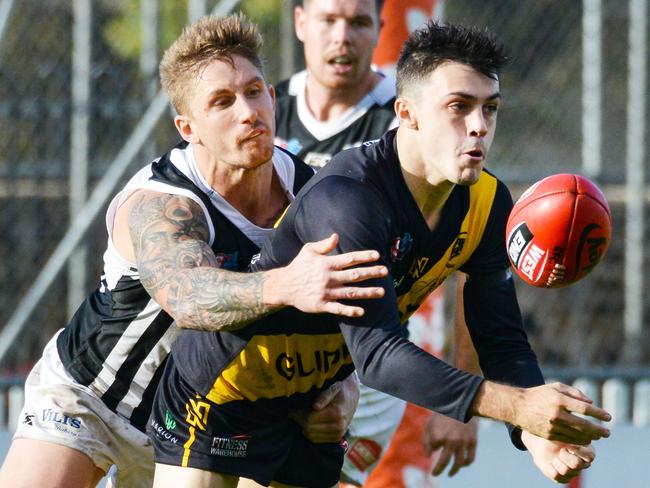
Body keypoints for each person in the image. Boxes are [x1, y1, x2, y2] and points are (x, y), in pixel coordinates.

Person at [149, 21, 612, 488]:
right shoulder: (349, 199)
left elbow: (501, 339)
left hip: (313, 407)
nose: (479, 126)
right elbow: (379, 356)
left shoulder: (489, 204)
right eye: (459, 107)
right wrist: (516, 406)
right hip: (218, 395)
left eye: (490, 108)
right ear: (407, 112)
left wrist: (533, 432)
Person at [0, 13, 387, 488]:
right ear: (189, 126)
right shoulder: (161, 201)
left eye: (253, 91)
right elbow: (186, 295)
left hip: (201, 425)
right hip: (90, 400)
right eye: (222, 102)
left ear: (271, 95)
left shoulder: (314, 196)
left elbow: (341, 312)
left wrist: (343, 389)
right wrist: (288, 283)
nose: (247, 112)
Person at [273, 0, 478, 484]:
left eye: (359, 22)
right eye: (328, 20)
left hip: (363, 359)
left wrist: (461, 402)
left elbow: (474, 256)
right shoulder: (263, 112)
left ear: (382, 28)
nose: (342, 37)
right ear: (301, 22)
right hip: (274, 344)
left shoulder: (413, 122)